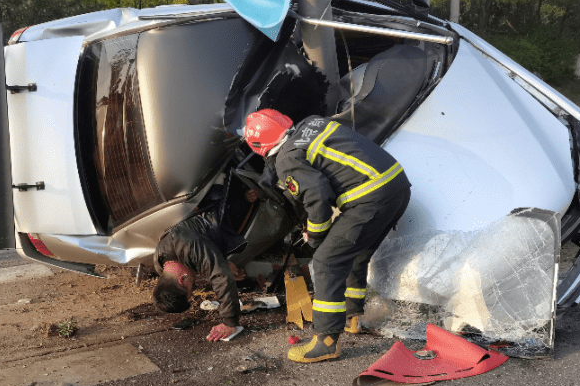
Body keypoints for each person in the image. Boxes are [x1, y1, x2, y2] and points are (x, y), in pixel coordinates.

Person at [244, 109, 410, 363]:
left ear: (260, 148)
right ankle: (351, 317)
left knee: (325, 261)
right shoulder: (313, 123)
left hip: (370, 198)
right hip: (395, 187)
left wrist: (317, 235)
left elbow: (318, 196)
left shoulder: (286, 158)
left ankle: (327, 341)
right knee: (356, 251)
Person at [151, 193, 248, 342]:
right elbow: (208, 267)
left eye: (191, 289)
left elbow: (220, 277)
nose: (194, 287)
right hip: (206, 230)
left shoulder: (190, 245)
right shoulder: (160, 263)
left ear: (183, 279)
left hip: (224, 211)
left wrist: (229, 322)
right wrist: (221, 265)